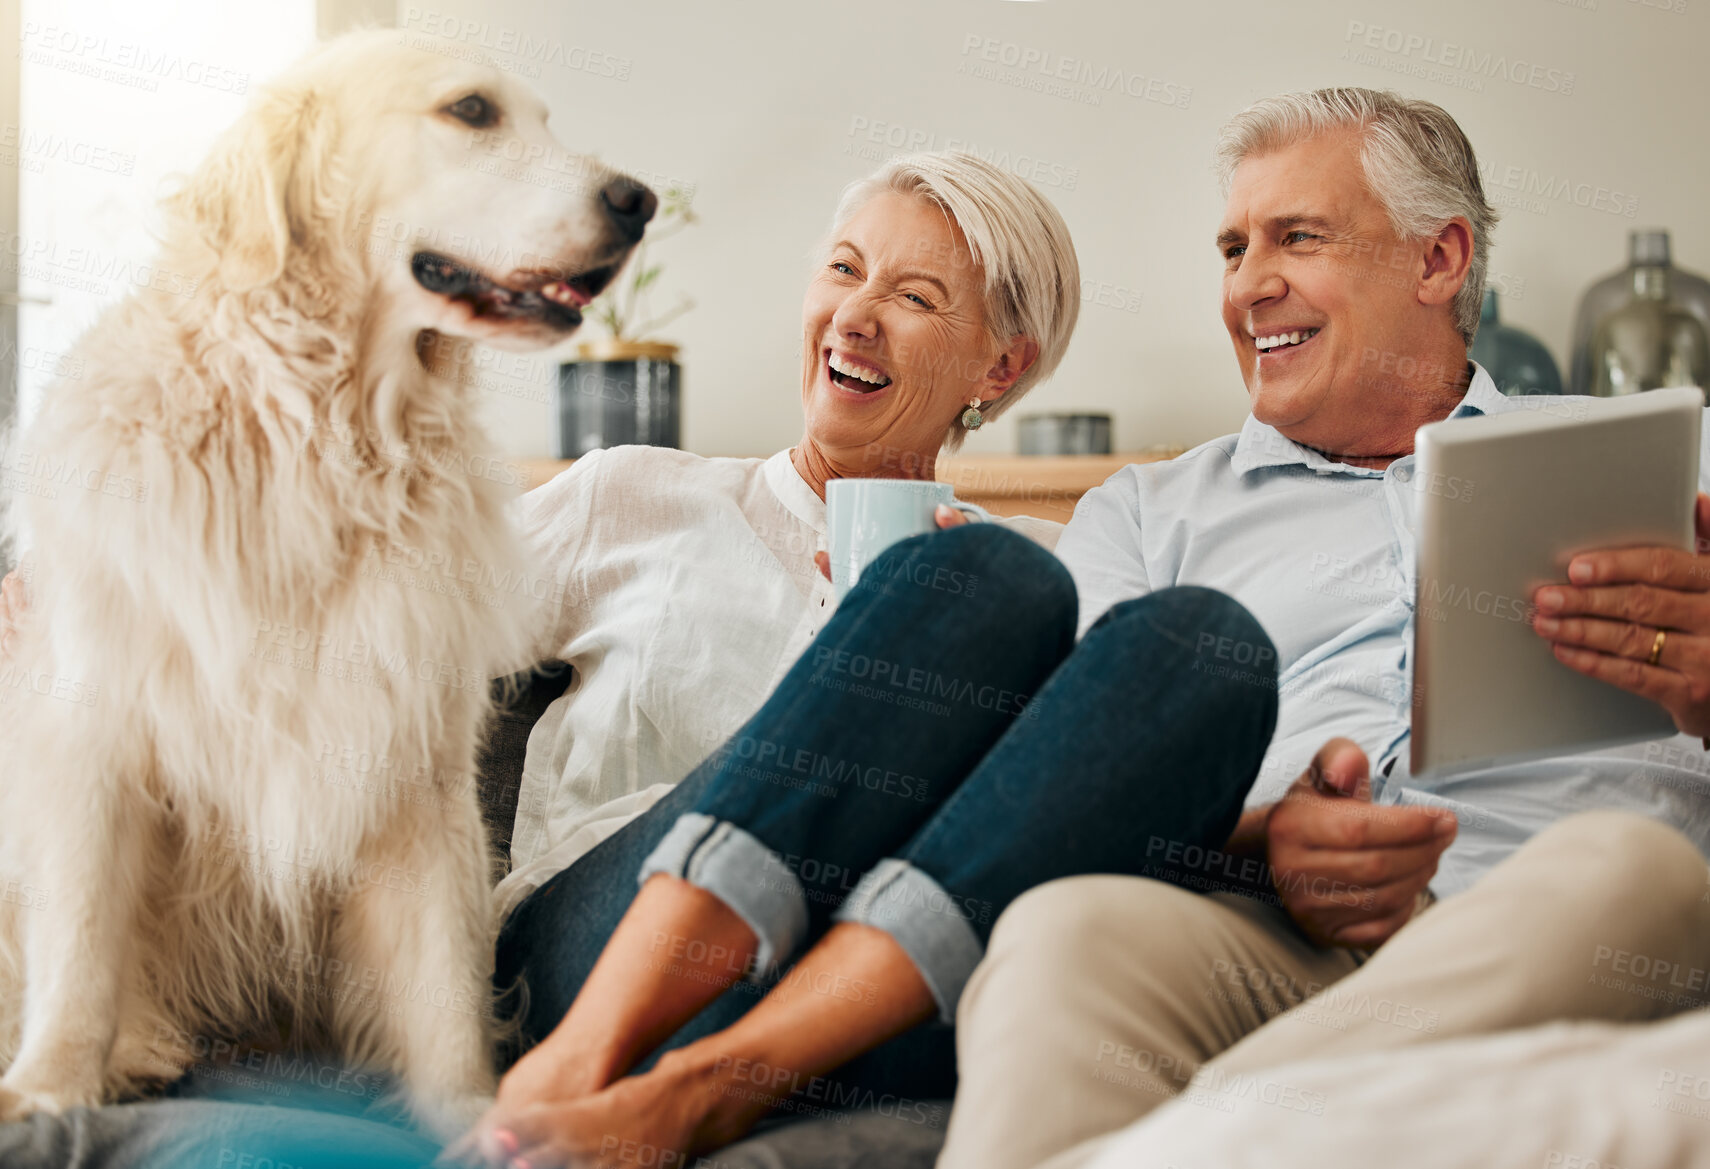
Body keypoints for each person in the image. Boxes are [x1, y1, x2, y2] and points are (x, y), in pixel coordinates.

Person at [935, 87, 1710, 1169]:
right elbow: (1086, 786)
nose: (1249, 285)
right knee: (1061, 935)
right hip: (1273, 934)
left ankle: (1198, 1136)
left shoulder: (1675, 461)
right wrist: (1258, 840)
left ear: (1439, 261)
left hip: (1554, 917)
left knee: (1629, 868)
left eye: (1297, 237)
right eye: (1233, 247)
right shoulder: (1147, 514)